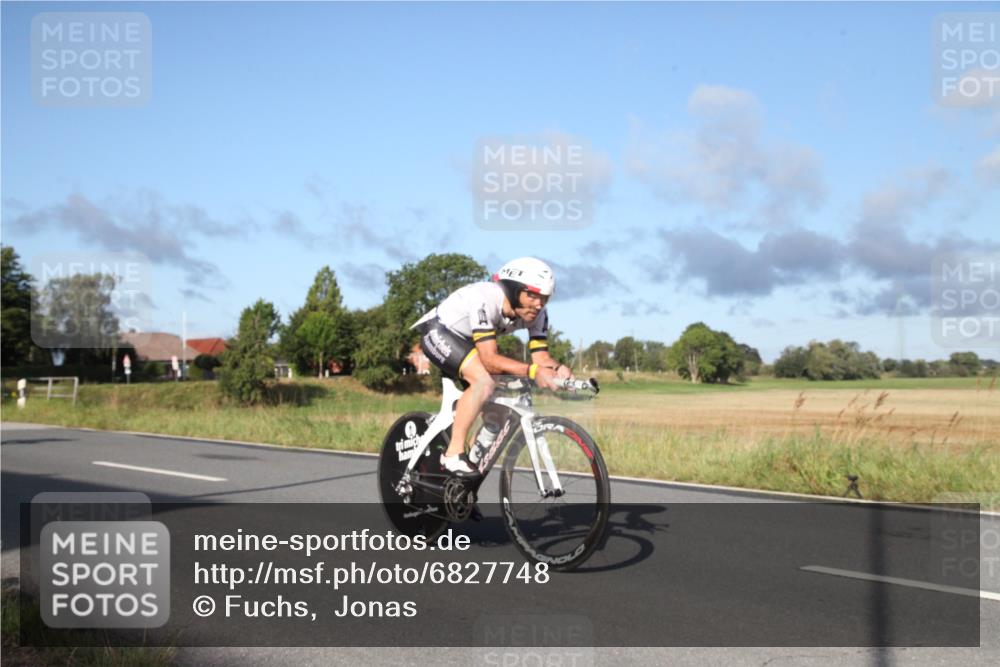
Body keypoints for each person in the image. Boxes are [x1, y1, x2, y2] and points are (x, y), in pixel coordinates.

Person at [411, 257, 573, 476]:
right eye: (533, 295)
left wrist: (559, 369)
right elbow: (489, 359)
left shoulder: (538, 315)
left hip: (468, 344)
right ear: (514, 290)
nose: (539, 304)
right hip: (440, 331)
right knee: (483, 382)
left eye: (545, 298)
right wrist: (533, 372)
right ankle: (453, 454)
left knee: (497, 414)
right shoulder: (486, 297)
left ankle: (464, 483)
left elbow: (541, 359)